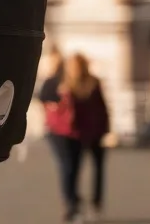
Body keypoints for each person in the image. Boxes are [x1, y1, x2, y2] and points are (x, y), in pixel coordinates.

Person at [44, 53, 110, 222]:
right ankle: (73, 204)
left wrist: (104, 130)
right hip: (70, 133)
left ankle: (81, 204)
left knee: (76, 168)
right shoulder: (62, 84)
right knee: (70, 168)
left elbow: (101, 109)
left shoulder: (90, 84)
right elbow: (46, 99)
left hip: (84, 132)